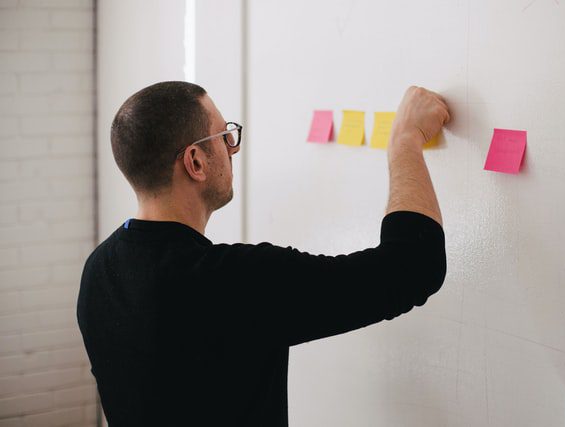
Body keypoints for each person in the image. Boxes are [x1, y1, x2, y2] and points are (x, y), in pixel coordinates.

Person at [77, 81, 450, 426]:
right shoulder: (232, 282)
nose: (232, 148)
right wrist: (405, 139)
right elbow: (413, 266)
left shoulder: (98, 271)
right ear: (195, 161)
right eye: (225, 138)